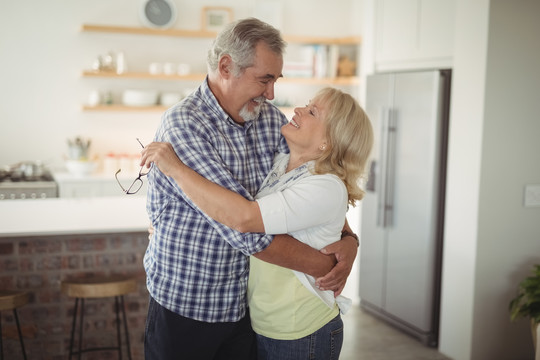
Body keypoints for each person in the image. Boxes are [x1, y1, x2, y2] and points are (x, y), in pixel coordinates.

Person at [142, 18, 359, 360]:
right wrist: (325, 265)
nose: (271, 94)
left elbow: (309, 190)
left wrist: (349, 240)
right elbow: (243, 227)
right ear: (226, 66)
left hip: (245, 309)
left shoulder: (271, 121)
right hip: (186, 305)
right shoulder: (184, 124)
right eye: (264, 79)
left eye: (275, 80)